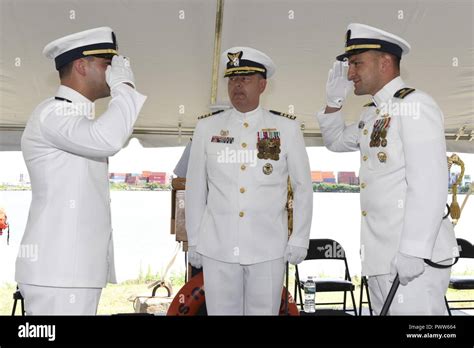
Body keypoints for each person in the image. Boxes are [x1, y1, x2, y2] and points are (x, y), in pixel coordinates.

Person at [317, 23, 459, 314]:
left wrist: (413, 250)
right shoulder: (373, 113)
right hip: (382, 259)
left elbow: (429, 184)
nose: (350, 73)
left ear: (384, 62)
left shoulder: (415, 105)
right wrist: (333, 103)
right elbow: (334, 142)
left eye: (357, 63)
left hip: (413, 260)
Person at [16, 27, 147, 315]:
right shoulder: (53, 114)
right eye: (106, 64)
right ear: (80, 65)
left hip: (72, 271)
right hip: (58, 272)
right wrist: (125, 86)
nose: (112, 71)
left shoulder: (77, 118)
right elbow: (109, 139)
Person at [185, 47, 313, 315]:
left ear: (263, 84)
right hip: (218, 247)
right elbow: (195, 188)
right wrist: (194, 240)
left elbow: (303, 188)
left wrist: (299, 237)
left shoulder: (286, 128)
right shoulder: (207, 128)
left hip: (267, 247)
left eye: (245, 78)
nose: (237, 85)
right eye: (232, 79)